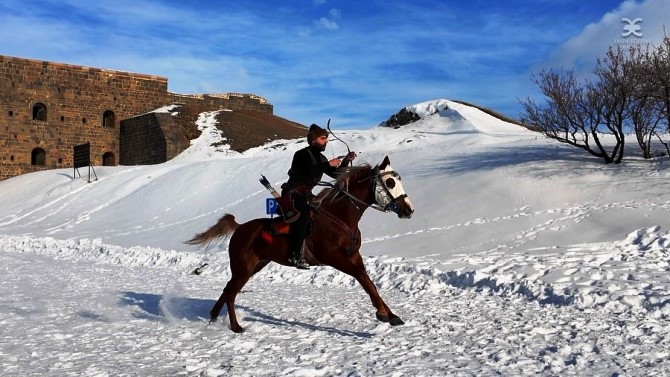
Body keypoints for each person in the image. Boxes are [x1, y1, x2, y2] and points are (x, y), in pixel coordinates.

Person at [280, 124, 357, 269]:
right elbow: (309, 173)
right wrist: (328, 163)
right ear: (313, 139)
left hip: (306, 196)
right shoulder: (301, 155)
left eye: (326, 138)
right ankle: (295, 256)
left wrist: (346, 160)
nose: (326, 141)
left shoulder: (321, 158)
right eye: (323, 138)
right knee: (303, 218)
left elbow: (336, 174)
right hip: (293, 195)